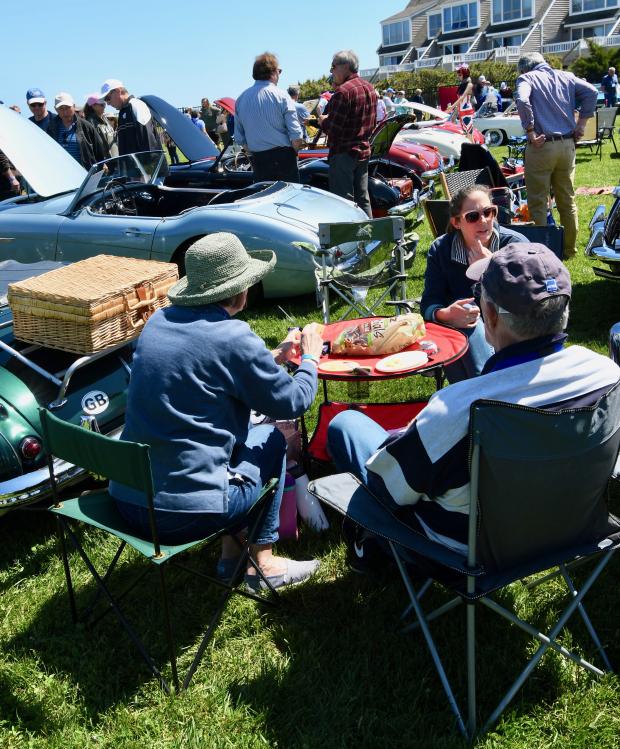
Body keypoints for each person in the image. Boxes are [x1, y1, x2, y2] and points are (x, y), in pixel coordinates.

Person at [328, 242, 620, 567]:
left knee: (346, 425)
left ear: (491, 316)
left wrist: (413, 438)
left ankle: (371, 547)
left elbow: (387, 487)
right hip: (573, 529)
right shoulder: (607, 373)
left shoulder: (461, 407)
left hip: (472, 550)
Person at [110, 233, 323, 592]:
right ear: (241, 290)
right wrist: (311, 356)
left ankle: (231, 557)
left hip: (129, 501)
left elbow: (201, 377)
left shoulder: (157, 324)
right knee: (269, 438)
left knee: (234, 444)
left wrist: (269, 359)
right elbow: (295, 401)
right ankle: (265, 565)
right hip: (184, 515)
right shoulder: (232, 337)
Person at [421, 185, 527, 381]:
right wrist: (445, 314)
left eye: (489, 212)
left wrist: (491, 269)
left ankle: (478, 391)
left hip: (512, 332)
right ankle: (480, 394)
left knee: (467, 328)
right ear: (456, 222)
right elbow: (429, 302)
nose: (484, 220)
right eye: (473, 216)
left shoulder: (515, 246)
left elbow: (527, 301)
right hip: (461, 334)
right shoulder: (442, 249)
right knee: (463, 325)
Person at [515, 52, 597, 259]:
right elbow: (592, 92)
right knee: (567, 200)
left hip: (541, 146)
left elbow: (522, 99)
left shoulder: (526, 78)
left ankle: (540, 253)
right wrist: (582, 124)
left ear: (525, 68)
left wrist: (530, 131)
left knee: (538, 202)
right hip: (567, 145)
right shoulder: (566, 76)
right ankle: (569, 251)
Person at [319, 49, 376, 219]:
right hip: (363, 150)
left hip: (344, 153)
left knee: (343, 201)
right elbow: (371, 122)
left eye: (333, 67)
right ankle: (370, 237)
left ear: (344, 67)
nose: (331, 71)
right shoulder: (369, 88)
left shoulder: (343, 92)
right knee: (363, 198)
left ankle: (349, 242)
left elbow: (334, 129)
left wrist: (323, 121)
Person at [234, 52, 303, 183]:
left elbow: (239, 138)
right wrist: (291, 153)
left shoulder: (241, 99)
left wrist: (257, 151)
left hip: (259, 160)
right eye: (279, 71)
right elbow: (296, 135)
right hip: (283, 158)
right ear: (273, 72)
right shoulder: (282, 96)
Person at [98, 78, 161, 156]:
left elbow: (149, 146)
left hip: (145, 167)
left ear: (118, 91)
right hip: (133, 167)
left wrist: (149, 166)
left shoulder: (136, 106)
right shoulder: (122, 112)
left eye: (108, 98)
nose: (108, 103)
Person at [48, 93, 106, 169]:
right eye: (61, 108)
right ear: (56, 109)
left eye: (68, 107)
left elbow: (99, 150)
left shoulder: (86, 126)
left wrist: (101, 166)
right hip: (60, 174)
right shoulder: (51, 128)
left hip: (84, 174)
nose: (65, 112)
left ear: (74, 106)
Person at [84, 94, 118, 159]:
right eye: (102, 105)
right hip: (105, 162)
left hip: (115, 159)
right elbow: (91, 145)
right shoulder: (90, 123)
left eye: (104, 104)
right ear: (93, 106)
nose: (104, 107)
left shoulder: (105, 119)